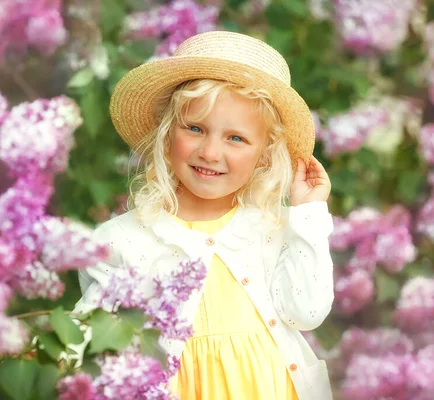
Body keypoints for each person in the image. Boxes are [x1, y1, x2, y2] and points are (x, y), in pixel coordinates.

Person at [75, 31, 335, 400]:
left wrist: (308, 213)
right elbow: (89, 345)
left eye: (236, 138)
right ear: (167, 135)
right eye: (195, 128)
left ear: (264, 154)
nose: (210, 152)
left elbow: (306, 312)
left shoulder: (272, 228)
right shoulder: (121, 241)